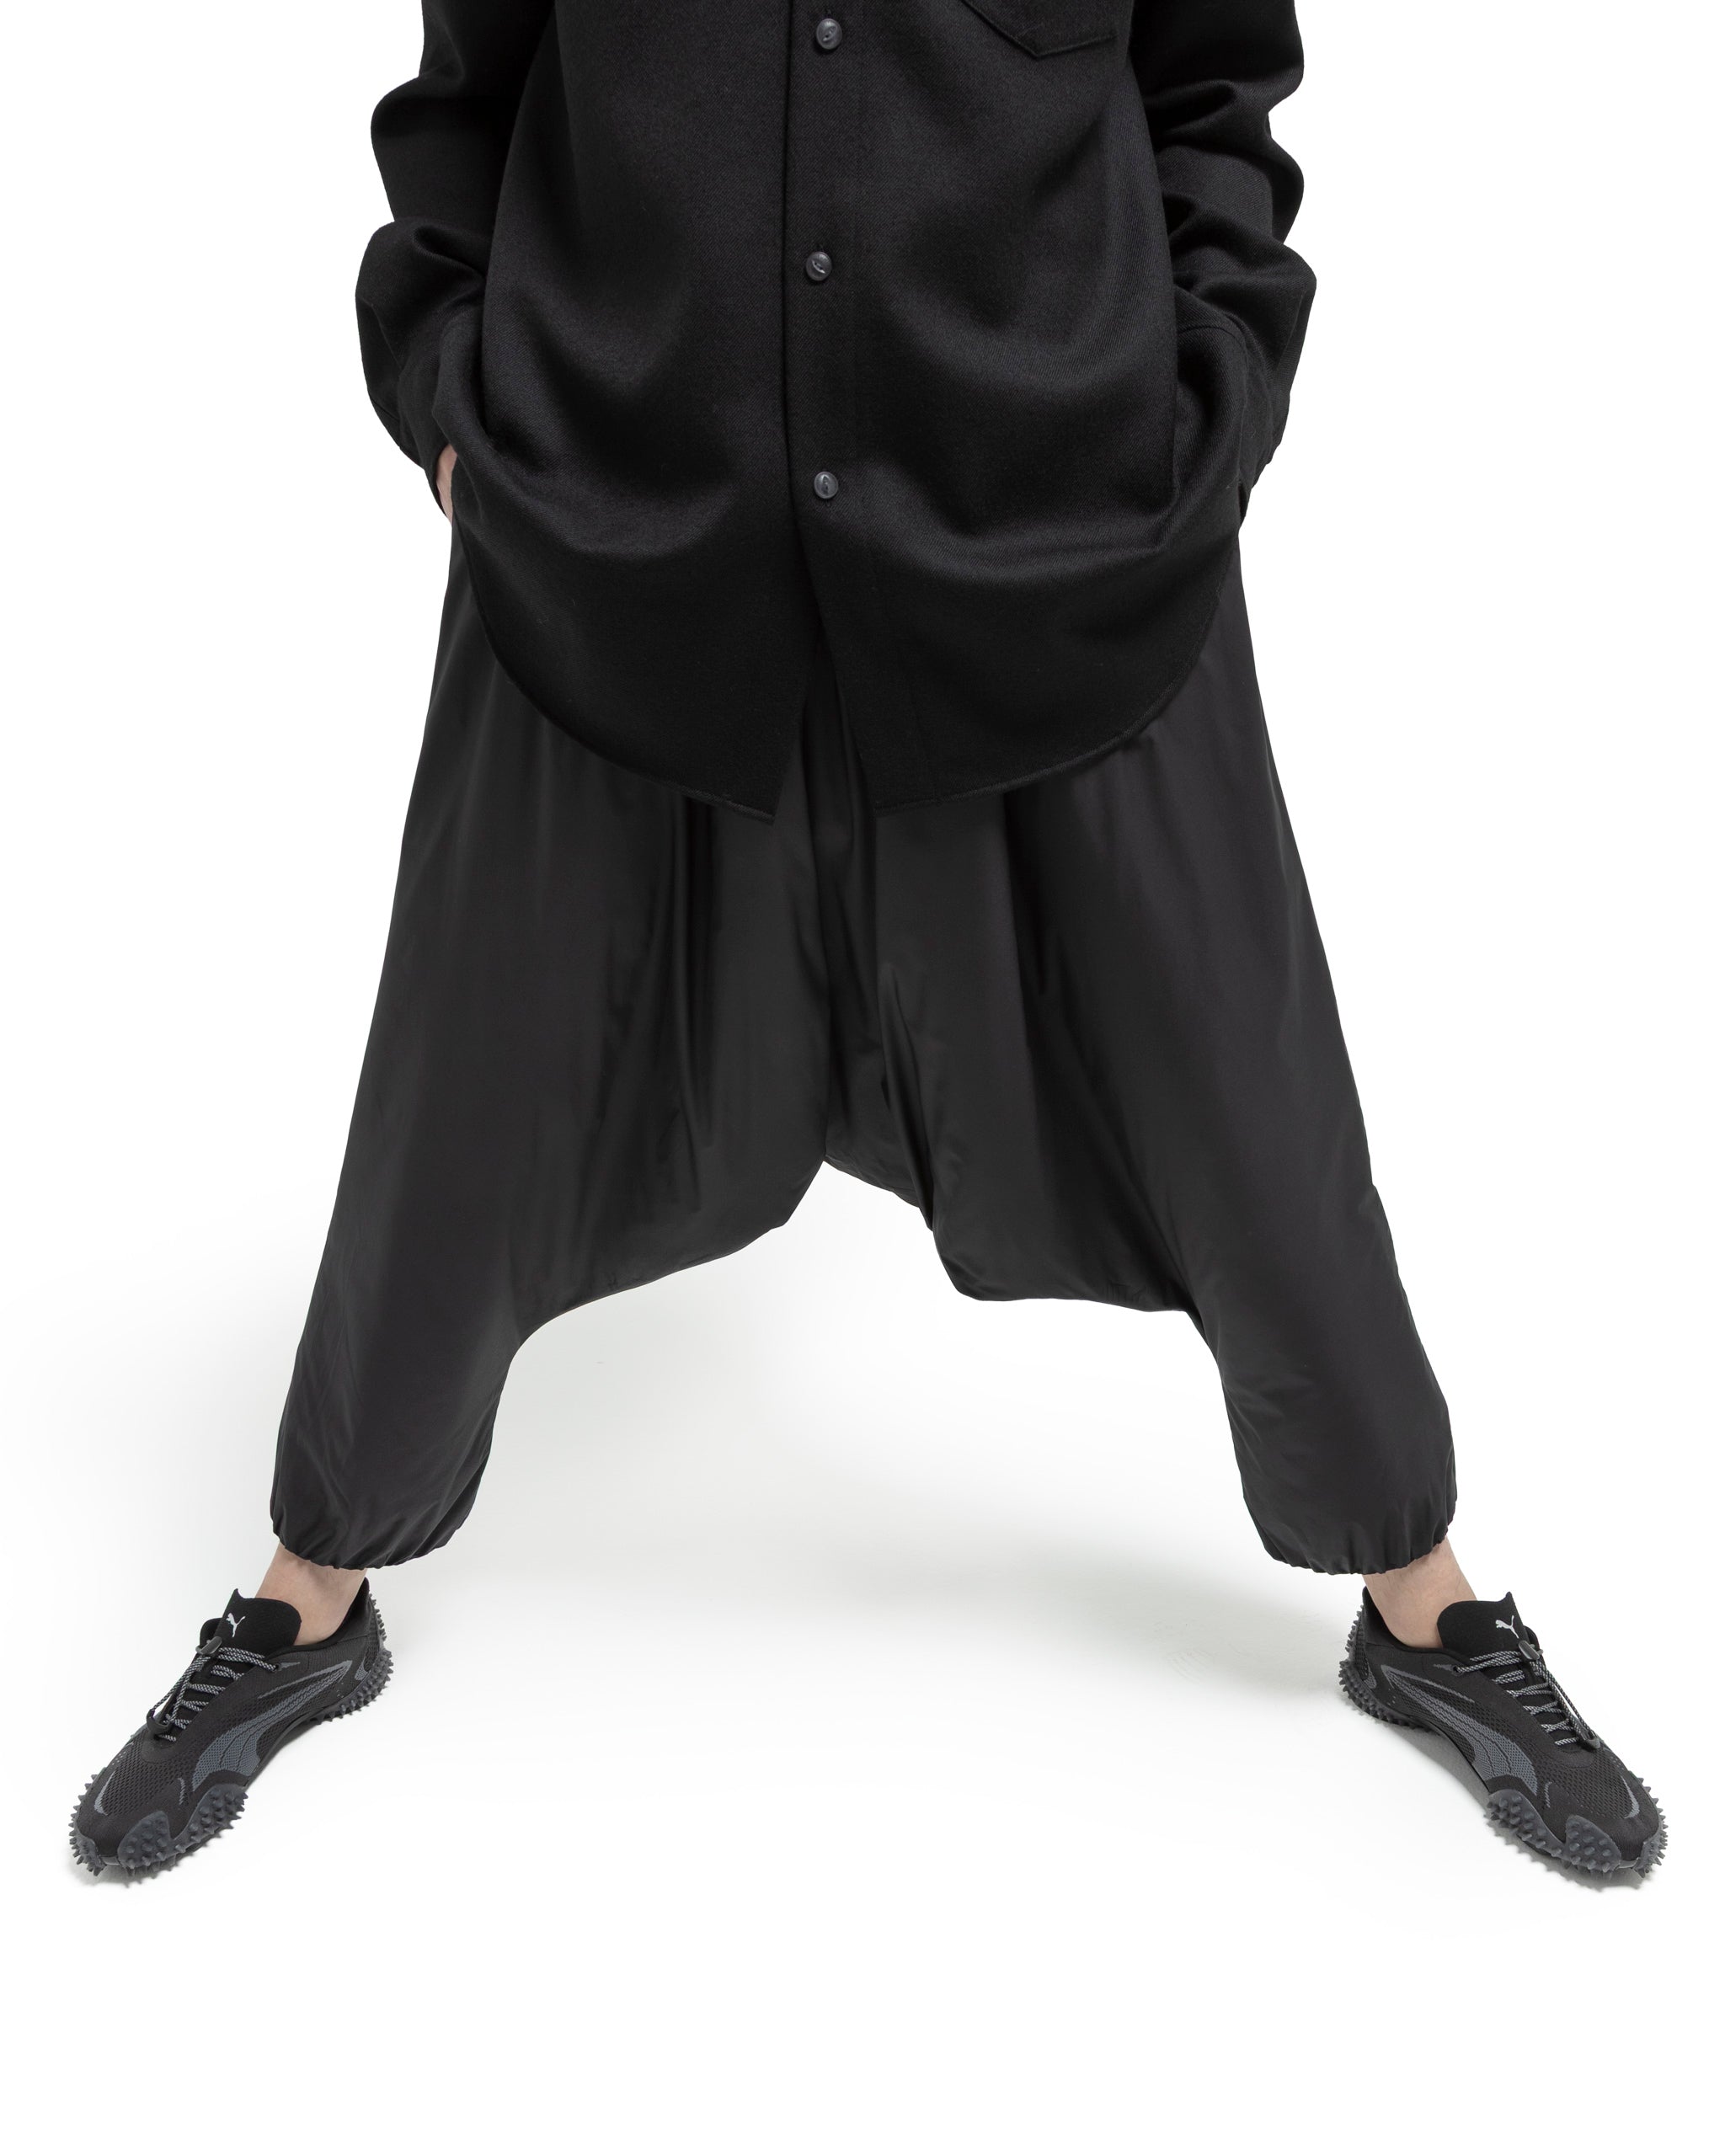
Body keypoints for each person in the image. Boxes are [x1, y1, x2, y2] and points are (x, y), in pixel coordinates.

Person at [72, 0, 1661, 1881]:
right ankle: (309, 1592)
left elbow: (1213, 86)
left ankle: (1422, 1601)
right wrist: (457, 416)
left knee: (1239, 1079)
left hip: (1061, 527)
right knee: (469, 1084)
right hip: (618, 528)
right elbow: (467, 103)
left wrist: (1212, 395)